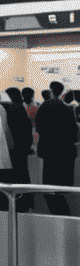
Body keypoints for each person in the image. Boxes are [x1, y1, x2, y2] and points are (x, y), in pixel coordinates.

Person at [34, 81, 76, 215]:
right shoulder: (66, 108)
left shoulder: (45, 106)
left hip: (50, 151)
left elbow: (39, 127)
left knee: (50, 189)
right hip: (65, 152)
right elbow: (73, 130)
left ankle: (60, 217)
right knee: (60, 189)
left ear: (51, 90)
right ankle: (63, 217)